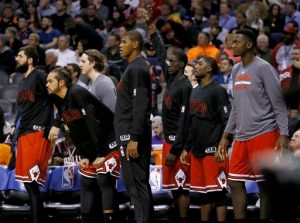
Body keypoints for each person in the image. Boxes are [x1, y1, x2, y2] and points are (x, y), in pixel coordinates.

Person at [217, 29, 289, 223]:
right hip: (241, 135)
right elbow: (235, 107)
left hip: (264, 132)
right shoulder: (235, 69)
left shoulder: (264, 68)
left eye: (236, 42)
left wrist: (284, 134)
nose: (232, 45)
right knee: (234, 181)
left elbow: (278, 103)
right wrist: (226, 135)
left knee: (264, 185)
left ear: (249, 44)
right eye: (231, 42)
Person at [46, 67, 120, 223]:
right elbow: (73, 130)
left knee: (103, 178)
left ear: (61, 82)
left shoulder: (77, 93)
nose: (47, 84)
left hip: (109, 139)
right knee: (86, 180)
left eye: (50, 81)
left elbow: (93, 124)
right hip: (93, 144)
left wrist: (100, 154)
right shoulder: (58, 99)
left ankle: (110, 218)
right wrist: (85, 155)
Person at [181, 56, 230, 223]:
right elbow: (191, 123)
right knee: (202, 193)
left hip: (213, 149)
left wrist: (222, 145)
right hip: (196, 149)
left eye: (200, 63)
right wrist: (186, 148)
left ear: (209, 69)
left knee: (218, 192)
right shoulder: (195, 91)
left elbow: (227, 120)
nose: (196, 66)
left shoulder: (218, 90)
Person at [14, 46, 60, 223]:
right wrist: (14, 135)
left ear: (30, 59)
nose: (16, 59)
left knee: (32, 184)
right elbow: (21, 110)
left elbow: (59, 97)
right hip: (23, 134)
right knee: (28, 184)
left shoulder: (40, 76)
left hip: (37, 132)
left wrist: (56, 124)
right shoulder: (22, 82)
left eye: (20, 56)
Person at [114, 30, 153, 223]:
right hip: (128, 134)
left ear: (136, 44)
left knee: (136, 184)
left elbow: (141, 105)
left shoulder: (138, 68)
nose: (120, 45)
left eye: (124, 42)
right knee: (136, 184)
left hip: (132, 136)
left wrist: (134, 137)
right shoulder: (131, 68)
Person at [162, 50, 192, 223]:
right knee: (174, 186)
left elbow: (184, 122)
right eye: (168, 61)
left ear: (181, 64)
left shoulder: (185, 86)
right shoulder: (172, 79)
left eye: (172, 61)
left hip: (178, 145)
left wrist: (175, 149)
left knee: (182, 187)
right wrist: (154, 34)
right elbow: (161, 55)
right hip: (169, 140)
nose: (168, 64)